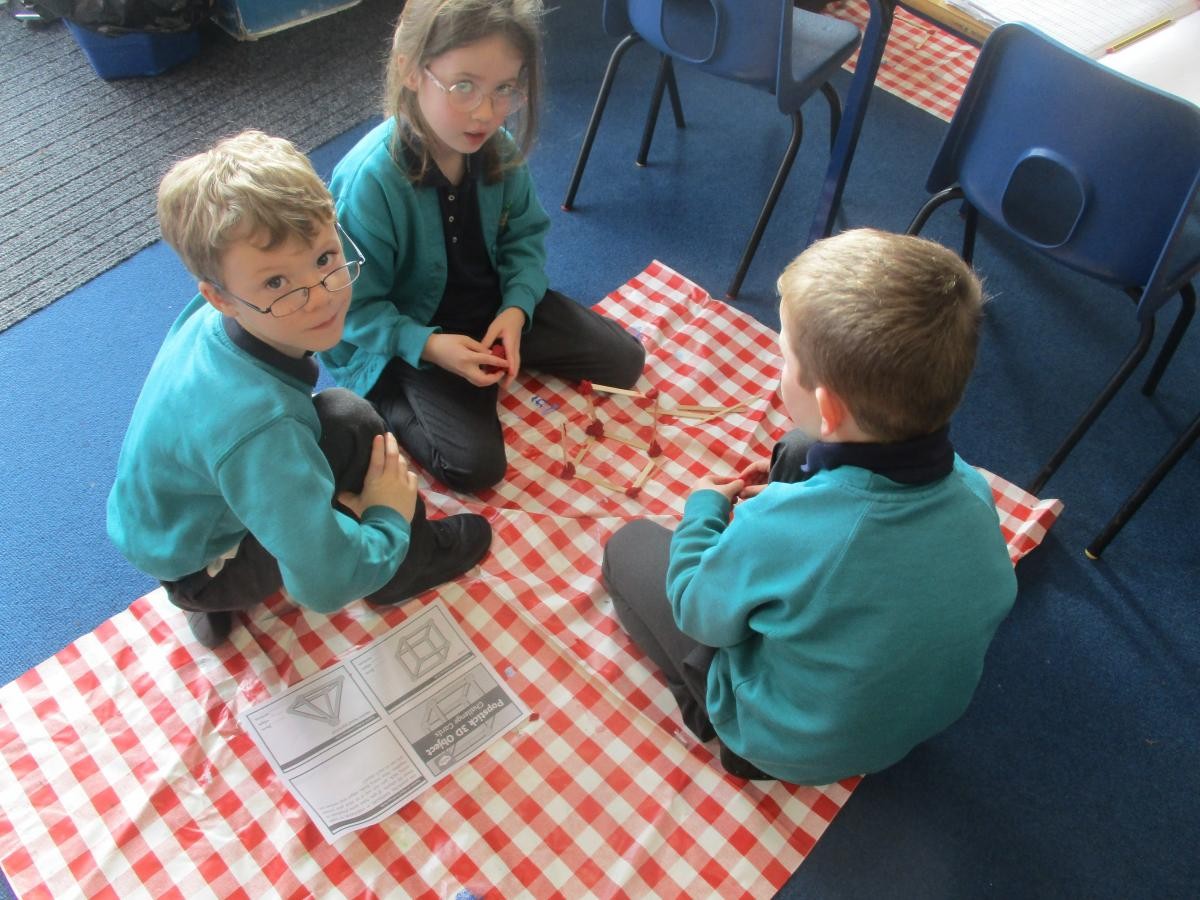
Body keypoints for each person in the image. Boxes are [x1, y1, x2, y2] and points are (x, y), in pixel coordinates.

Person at [601, 228, 1019, 785]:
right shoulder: (974, 491)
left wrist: (703, 512)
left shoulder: (775, 527)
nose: (779, 372)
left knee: (626, 547)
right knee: (800, 452)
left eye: (784, 358)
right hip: (911, 718)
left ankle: (716, 720)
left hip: (784, 745)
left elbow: (697, 611)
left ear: (827, 405)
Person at [106, 131, 492, 650]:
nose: (321, 297)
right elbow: (324, 585)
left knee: (302, 448)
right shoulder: (262, 426)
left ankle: (210, 595)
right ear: (220, 297)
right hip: (206, 563)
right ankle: (406, 566)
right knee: (351, 419)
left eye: (325, 257)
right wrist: (386, 516)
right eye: (276, 284)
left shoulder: (211, 319)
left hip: (167, 532)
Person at [323, 0, 646, 495]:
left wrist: (516, 309)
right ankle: (384, 395)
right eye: (464, 86)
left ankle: (497, 346)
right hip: (411, 333)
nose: (486, 112)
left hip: (490, 309)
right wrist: (431, 347)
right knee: (474, 467)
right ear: (411, 71)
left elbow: (525, 238)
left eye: (505, 89)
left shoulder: (497, 147)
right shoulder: (370, 182)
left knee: (625, 361)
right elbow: (352, 307)